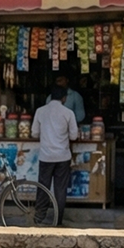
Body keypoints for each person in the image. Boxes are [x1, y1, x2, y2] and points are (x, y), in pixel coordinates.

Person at [31, 85, 80, 226]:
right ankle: (57, 220)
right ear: (64, 98)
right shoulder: (68, 113)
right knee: (60, 189)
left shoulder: (40, 111)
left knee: (43, 186)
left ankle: (39, 217)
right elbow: (74, 136)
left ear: (51, 97)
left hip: (46, 156)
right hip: (62, 157)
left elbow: (34, 133)